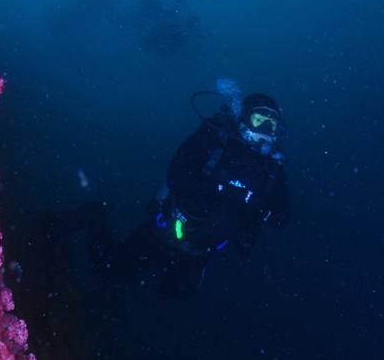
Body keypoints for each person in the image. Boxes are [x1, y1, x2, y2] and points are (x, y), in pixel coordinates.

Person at [93, 91, 291, 297]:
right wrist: (221, 190)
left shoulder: (272, 169)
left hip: (200, 252)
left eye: (272, 124)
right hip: (165, 232)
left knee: (174, 297)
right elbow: (177, 176)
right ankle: (95, 215)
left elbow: (282, 217)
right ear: (243, 119)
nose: (266, 129)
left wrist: (255, 204)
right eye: (258, 120)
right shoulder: (214, 136)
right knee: (110, 268)